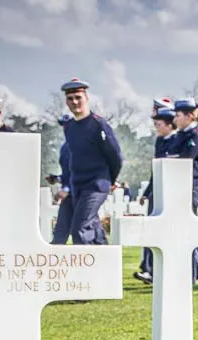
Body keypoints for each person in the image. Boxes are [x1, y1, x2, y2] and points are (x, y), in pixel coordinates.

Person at [61, 78, 123, 245]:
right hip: (78, 186)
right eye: (70, 98)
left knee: (79, 228)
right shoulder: (70, 127)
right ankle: (106, 265)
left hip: (96, 185)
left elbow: (115, 155)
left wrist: (110, 179)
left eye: (78, 97)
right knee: (93, 228)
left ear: (86, 97)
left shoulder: (98, 124)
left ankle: (86, 270)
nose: (74, 102)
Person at [134, 107, 178, 284]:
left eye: (158, 124)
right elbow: (156, 171)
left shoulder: (176, 140)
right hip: (157, 192)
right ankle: (149, 269)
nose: (156, 128)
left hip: (171, 193)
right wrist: (147, 193)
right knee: (151, 231)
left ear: (169, 125)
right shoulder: (160, 142)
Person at [166, 98, 198, 281]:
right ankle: (195, 262)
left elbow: (186, 158)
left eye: (178, 115)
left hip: (189, 187)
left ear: (190, 116)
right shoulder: (179, 135)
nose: (175, 119)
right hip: (176, 186)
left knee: (188, 229)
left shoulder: (195, 136)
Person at [52, 114, 74, 244]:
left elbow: (82, 171)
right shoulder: (65, 147)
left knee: (83, 233)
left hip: (81, 194)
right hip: (69, 196)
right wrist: (57, 178)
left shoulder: (82, 144)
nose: (65, 128)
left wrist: (67, 189)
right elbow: (68, 172)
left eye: (68, 125)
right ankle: (53, 262)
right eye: (63, 125)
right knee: (60, 232)